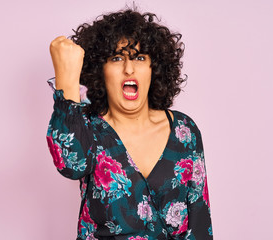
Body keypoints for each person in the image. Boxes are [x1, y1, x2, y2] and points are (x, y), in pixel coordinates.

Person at [46, 8, 213, 240]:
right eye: (116, 58)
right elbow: (70, 164)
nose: (129, 68)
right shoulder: (89, 129)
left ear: (155, 68)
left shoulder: (185, 131)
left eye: (140, 57)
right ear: (100, 71)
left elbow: (200, 222)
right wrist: (66, 76)